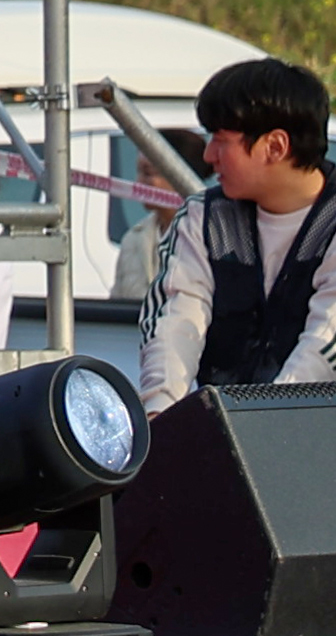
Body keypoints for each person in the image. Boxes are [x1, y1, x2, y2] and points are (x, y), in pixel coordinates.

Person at [139, 53, 336, 402]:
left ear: (275, 146)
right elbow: (175, 321)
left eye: (221, 140)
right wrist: (162, 410)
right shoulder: (204, 217)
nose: (208, 155)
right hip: (225, 432)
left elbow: (325, 338)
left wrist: (269, 418)